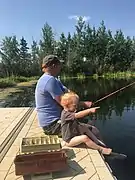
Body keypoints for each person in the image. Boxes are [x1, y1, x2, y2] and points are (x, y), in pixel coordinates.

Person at [35, 55, 92, 135]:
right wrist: (84, 104)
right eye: (59, 65)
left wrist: (76, 98)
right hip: (52, 125)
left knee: (86, 121)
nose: (60, 67)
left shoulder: (53, 79)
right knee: (89, 127)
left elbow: (67, 91)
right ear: (54, 66)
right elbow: (65, 103)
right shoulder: (49, 81)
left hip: (56, 120)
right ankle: (69, 143)